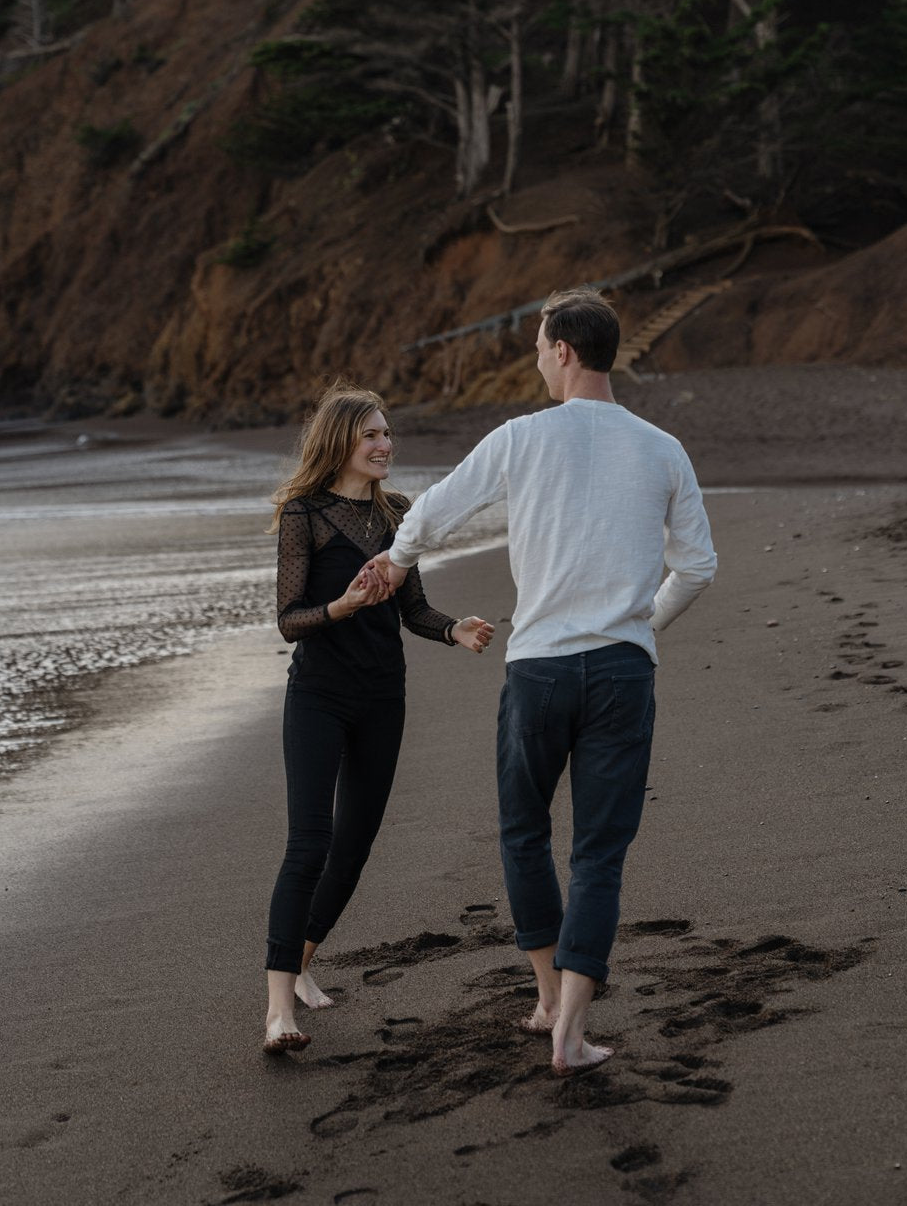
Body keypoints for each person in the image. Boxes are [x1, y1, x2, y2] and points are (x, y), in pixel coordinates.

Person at [371, 287, 716, 1075]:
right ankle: (571, 1030)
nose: (535, 361)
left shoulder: (522, 436)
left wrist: (396, 559)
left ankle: (547, 994)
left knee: (524, 831)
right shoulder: (662, 446)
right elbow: (698, 566)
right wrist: (643, 626)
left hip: (539, 669)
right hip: (622, 670)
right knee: (599, 852)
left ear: (563, 349)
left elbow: (438, 508)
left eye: (537, 347)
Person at [263, 381, 494, 1055]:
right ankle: (278, 1010)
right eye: (372, 435)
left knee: (353, 846)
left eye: (387, 433)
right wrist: (342, 606)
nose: (385, 445)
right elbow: (289, 620)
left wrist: (454, 630)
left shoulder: (398, 513)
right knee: (309, 844)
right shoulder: (305, 514)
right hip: (318, 696)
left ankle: (301, 962)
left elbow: (413, 608)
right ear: (341, 441)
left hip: (382, 698)